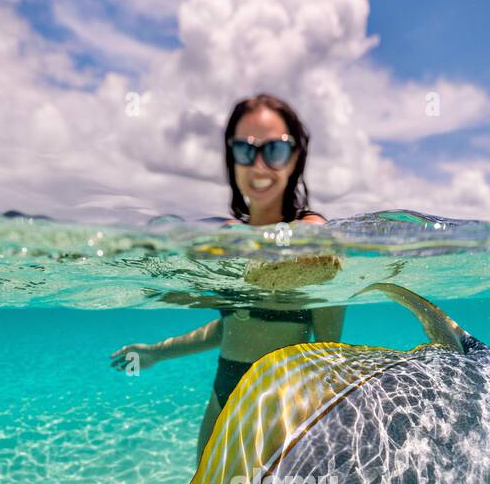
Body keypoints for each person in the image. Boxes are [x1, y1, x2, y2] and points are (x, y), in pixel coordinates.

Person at [111, 93, 344, 462]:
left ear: (295, 157)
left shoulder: (310, 228)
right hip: (226, 383)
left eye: (276, 151)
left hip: (281, 395)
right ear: (230, 159)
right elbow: (229, 328)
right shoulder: (223, 240)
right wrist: (156, 352)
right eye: (244, 150)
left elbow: (328, 338)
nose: (259, 165)